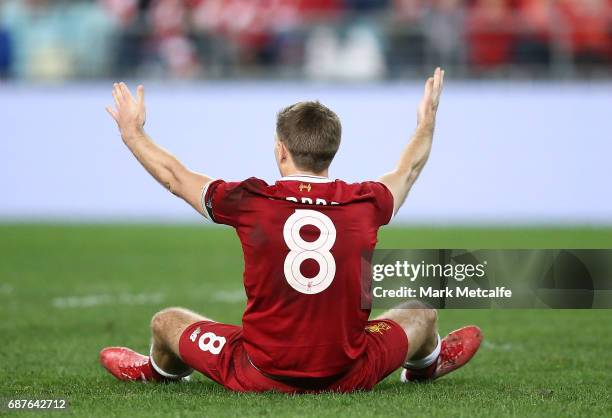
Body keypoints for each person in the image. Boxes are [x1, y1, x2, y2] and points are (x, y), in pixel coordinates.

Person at [100, 68, 482, 393]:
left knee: (166, 322)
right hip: (350, 372)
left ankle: (157, 372)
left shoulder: (248, 200)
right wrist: (426, 124)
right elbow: (409, 169)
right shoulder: (366, 203)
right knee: (421, 312)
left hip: (258, 370)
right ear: (333, 151)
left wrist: (133, 133)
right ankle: (425, 367)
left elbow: (175, 178)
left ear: (281, 150)